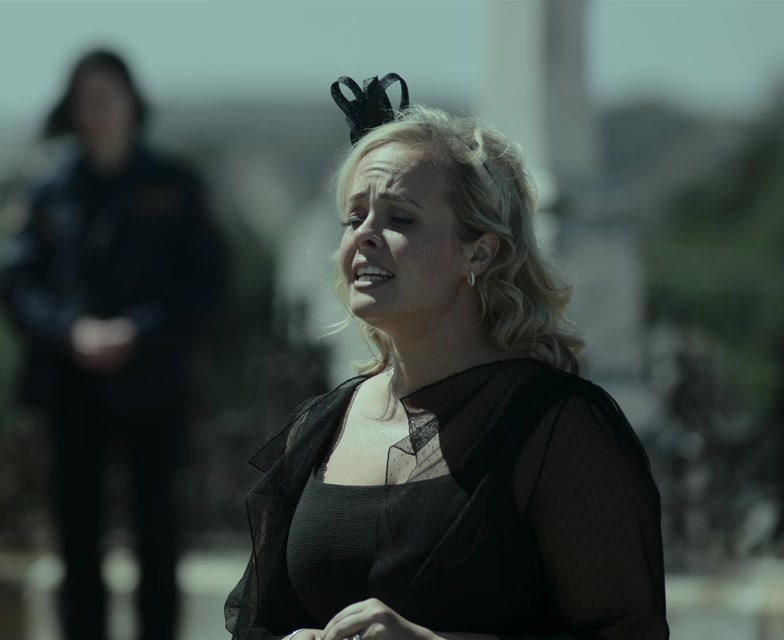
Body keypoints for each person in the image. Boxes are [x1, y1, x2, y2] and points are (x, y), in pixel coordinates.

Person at [224, 75, 668, 640]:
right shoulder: (317, 428)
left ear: (479, 253)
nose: (364, 236)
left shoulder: (557, 427)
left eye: (400, 219)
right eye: (354, 217)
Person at [0, 49, 227, 640]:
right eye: (86, 100)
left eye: (108, 97)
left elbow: (206, 285)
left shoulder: (174, 184)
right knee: (75, 536)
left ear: (132, 102)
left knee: (158, 531)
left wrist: (139, 331)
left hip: (153, 385)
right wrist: (69, 330)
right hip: (70, 387)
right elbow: (17, 283)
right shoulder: (49, 189)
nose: (97, 111)